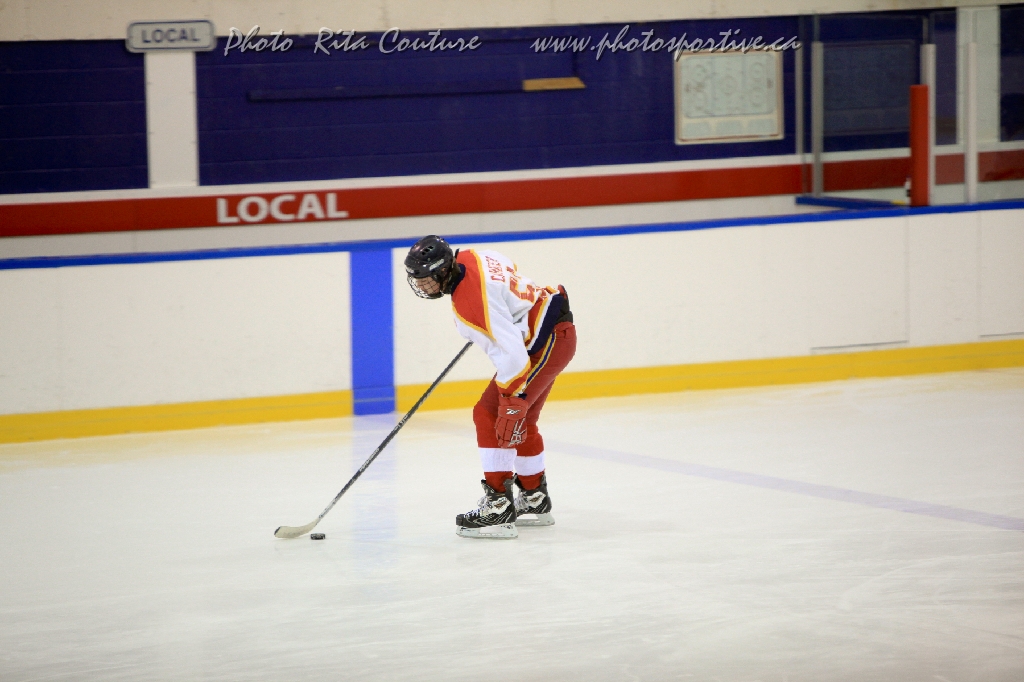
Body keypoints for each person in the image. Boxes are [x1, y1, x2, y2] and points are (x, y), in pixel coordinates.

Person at [404, 235, 577, 539]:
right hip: (555, 332)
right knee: (522, 421)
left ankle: (498, 507)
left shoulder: (471, 305)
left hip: (544, 344)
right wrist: (500, 314)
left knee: (489, 415)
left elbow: (513, 358)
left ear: (443, 270)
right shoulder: (471, 257)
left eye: (426, 279)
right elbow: (507, 265)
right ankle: (534, 498)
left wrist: (512, 399)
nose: (422, 285)